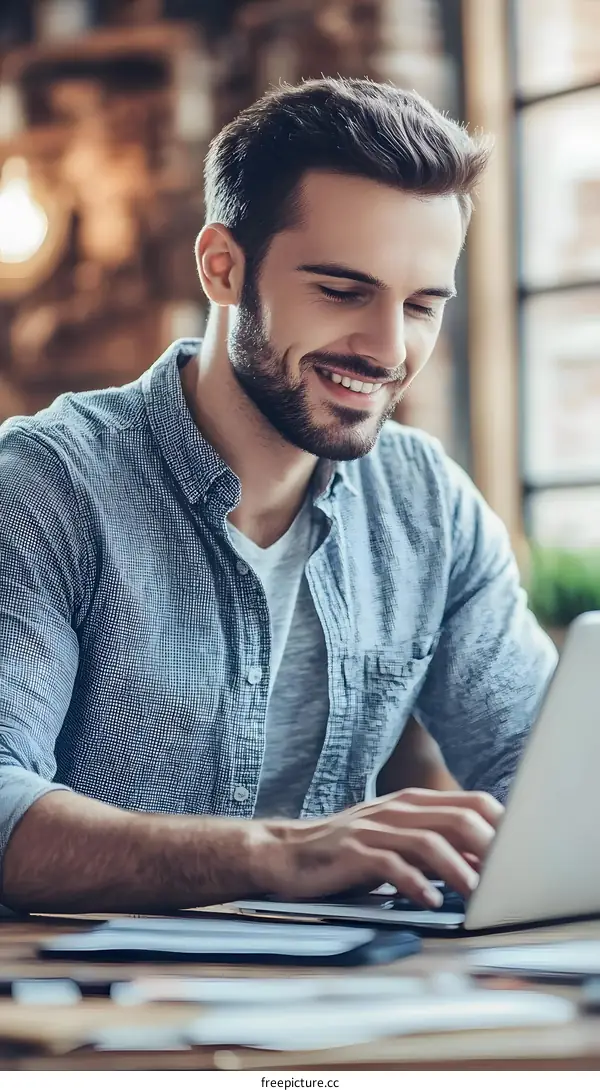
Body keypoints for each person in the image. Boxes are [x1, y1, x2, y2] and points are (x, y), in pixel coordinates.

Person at [0, 77, 556, 916]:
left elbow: (545, 779)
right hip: (87, 1017)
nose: (386, 349)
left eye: (421, 306)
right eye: (342, 291)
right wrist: (283, 853)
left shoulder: (427, 504)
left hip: (347, 1006)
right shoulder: (45, 487)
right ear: (224, 267)